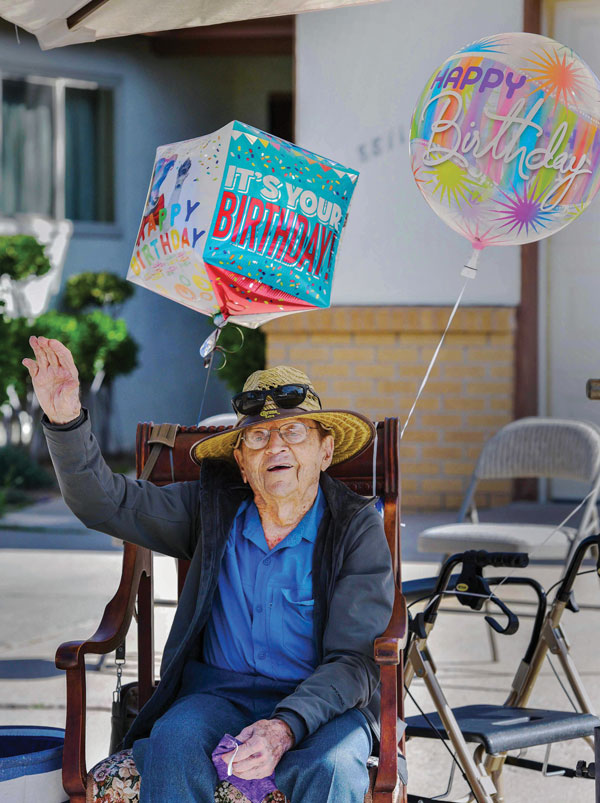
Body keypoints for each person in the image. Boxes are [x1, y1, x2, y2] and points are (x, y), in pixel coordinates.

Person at [24, 335, 395, 803]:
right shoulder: (210, 509)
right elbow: (107, 503)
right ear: (241, 463)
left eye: (294, 432)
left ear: (325, 451)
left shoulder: (355, 526)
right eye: (258, 437)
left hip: (324, 704)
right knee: (172, 744)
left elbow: (354, 660)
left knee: (334, 767)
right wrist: (65, 419)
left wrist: (284, 726)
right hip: (218, 695)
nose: (275, 446)